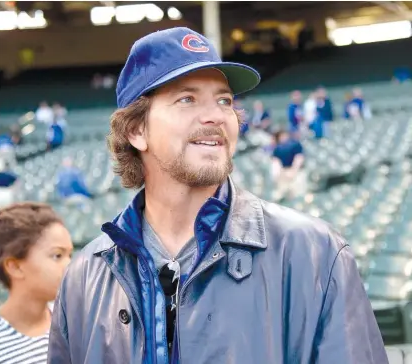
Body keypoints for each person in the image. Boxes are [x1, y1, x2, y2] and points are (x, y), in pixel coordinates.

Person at [48, 27, 388, 364]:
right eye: (187, 99)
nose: (216, 115)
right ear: (137, 130)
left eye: (224, 100)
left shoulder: (315, 253)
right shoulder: (84, 277)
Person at [0, 202, 73, 364]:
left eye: (70, 255)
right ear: (15, 267)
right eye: (57, 256)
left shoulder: (76, 321)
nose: (70, 265)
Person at [272, 130, 306, 200]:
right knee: (282, 196)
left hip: (297, 173)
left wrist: (293, 171)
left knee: (298, 196)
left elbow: (299, 158)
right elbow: (276, 162)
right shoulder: (277, 149)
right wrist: (281, 173)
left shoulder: (295, 144)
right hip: (284, 173)